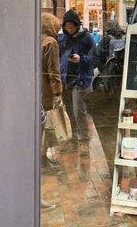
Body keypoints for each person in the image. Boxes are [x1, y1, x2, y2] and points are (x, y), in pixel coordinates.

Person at [59, 9, 97, 155]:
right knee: (69, 110)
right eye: (67, 27)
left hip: (81, 81)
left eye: (72, 27)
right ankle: (75, 136)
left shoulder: (87, 38)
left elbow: (95, 58)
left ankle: (84, 141)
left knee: (79, 111)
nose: (69, 30)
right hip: (66, 79)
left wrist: (81, 59)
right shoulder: (62, 37)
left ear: (77, 25)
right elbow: (60, 55)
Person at [41, 13, 63, 169]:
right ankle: (42, 159)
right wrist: (58, 92)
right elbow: (53, 71)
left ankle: (38, 158)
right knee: (47, 127)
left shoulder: (35, 40)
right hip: (46, 92)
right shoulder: (51, 42)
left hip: (34, 91)